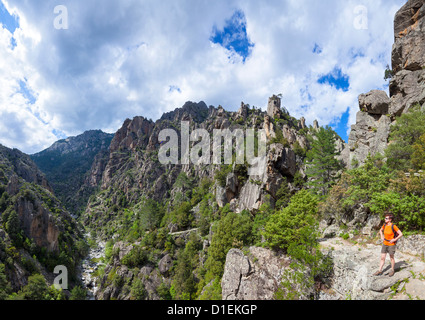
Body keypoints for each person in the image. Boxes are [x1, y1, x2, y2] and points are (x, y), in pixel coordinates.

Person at [373, 213, 403, 277]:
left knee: (391, 257)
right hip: (385, 243)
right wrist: (381, 236)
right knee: (382, 257)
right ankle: (380, 270)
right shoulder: (384, 225)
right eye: (385, 218)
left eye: (386, 218)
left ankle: (392, 270)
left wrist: (394, 239)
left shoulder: (393, 226)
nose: (385, 219)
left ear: (390, 219)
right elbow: (380, 230)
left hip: (391, 244)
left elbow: (400, 234)